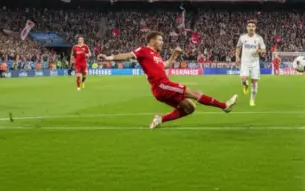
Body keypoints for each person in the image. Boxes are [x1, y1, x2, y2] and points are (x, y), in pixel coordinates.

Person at [99, 31, 237, 129]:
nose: (162, 42)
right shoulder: (144, 51)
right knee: (194, 93)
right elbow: (127, 55)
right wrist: (108, 58)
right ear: (152, 40)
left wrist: (174, 54)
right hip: (161, 85)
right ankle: (224, 106)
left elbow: (167, 65)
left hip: (161, 89)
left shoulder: (156, 56)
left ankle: (160, 119)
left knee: (190, 108)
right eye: (160, 40)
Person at [235, 20, 266, 106]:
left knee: (254, 82)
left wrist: (258, 50)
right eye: (249, 26)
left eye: (253, 26)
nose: (251, 28)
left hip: (255, 63)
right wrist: (237, 57)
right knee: (243, 78)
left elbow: (264, 49)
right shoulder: (242, 38)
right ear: (246, 27)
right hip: (245, 62)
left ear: (255, 28)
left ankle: (252, 100)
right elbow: (238, 47)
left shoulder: (259, 38)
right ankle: (245, 85)